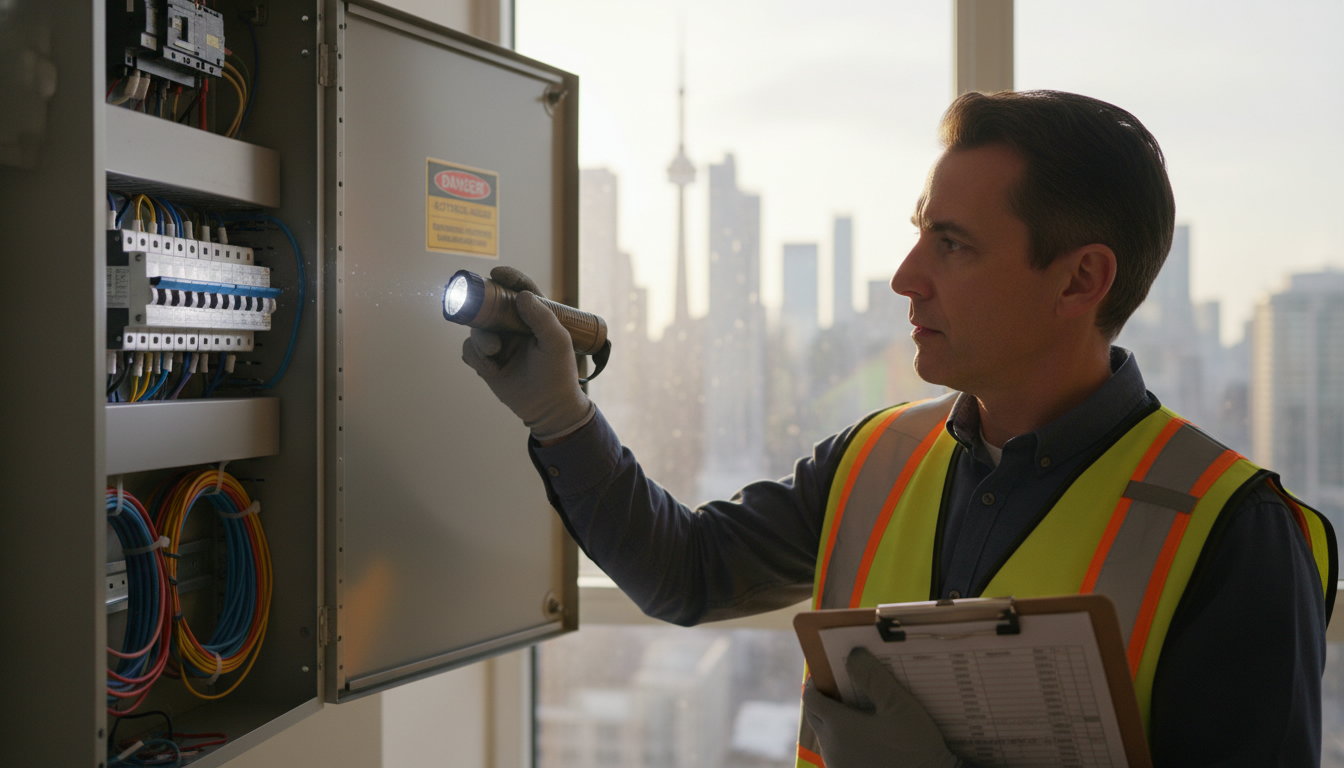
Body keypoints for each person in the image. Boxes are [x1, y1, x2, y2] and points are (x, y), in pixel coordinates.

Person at [461, 90, 1336, 767]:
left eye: (952, 245)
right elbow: (687, 573)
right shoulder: (875, 460)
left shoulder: (1233, 534)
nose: (905, 277)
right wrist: (561, 415)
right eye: (920, 234)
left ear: (1080, 282)